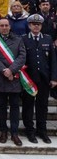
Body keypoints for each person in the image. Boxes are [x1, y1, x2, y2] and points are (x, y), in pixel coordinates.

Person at [0, 17, 26, 146]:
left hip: (14, 78)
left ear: (10, 27)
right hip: (0, 78)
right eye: (2, 25)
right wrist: (4, 71)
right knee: (2, 107)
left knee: (15, 108)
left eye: (6, 25)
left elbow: (22, 56)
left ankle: (14, 133)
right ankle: (3, 131)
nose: (4, 28)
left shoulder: (18, 39)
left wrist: (11, 70)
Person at [21, 14, 57, 144]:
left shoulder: (47, 39)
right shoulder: (23, 39)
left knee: (42, 106)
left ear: (41, 26)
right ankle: (30, 131)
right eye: (33, 24)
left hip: (44, 79)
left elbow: (53, 61)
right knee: (28, 106)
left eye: (38, 24)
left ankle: (42, 131)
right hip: (28, 80)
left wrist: (54, 78)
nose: (36, 26)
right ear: (29, 25)